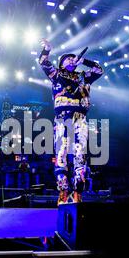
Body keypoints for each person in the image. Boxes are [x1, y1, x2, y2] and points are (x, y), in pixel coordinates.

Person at [39, 38, 103, 204]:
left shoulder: (83, 77)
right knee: (61, 153)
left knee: (80, 153)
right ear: (61, 64)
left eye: (73, 58)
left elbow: (99, 70)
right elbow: (43, 62)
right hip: (62, 117)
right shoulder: (57, 75)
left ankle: (78, 192)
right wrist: (47, 49)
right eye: (67, 58)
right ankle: (62, 190)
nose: (71, 59)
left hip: (80, 117)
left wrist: (85, 61)